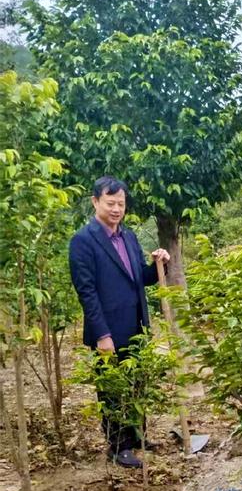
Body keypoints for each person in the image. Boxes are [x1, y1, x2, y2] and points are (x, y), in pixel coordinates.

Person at [69, 176, 170, 468]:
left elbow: (141, 277)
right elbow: (86, 292)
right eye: (110, 203)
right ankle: (118, 447)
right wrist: (102, 334)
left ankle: (137, 435)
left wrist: (159, 264)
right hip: (108, 331)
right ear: (95, 202)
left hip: (137, 325)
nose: (116, 209)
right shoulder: (83, 241)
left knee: (137, 383)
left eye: (121, 204)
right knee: (112, 389)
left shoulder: (129, 236)